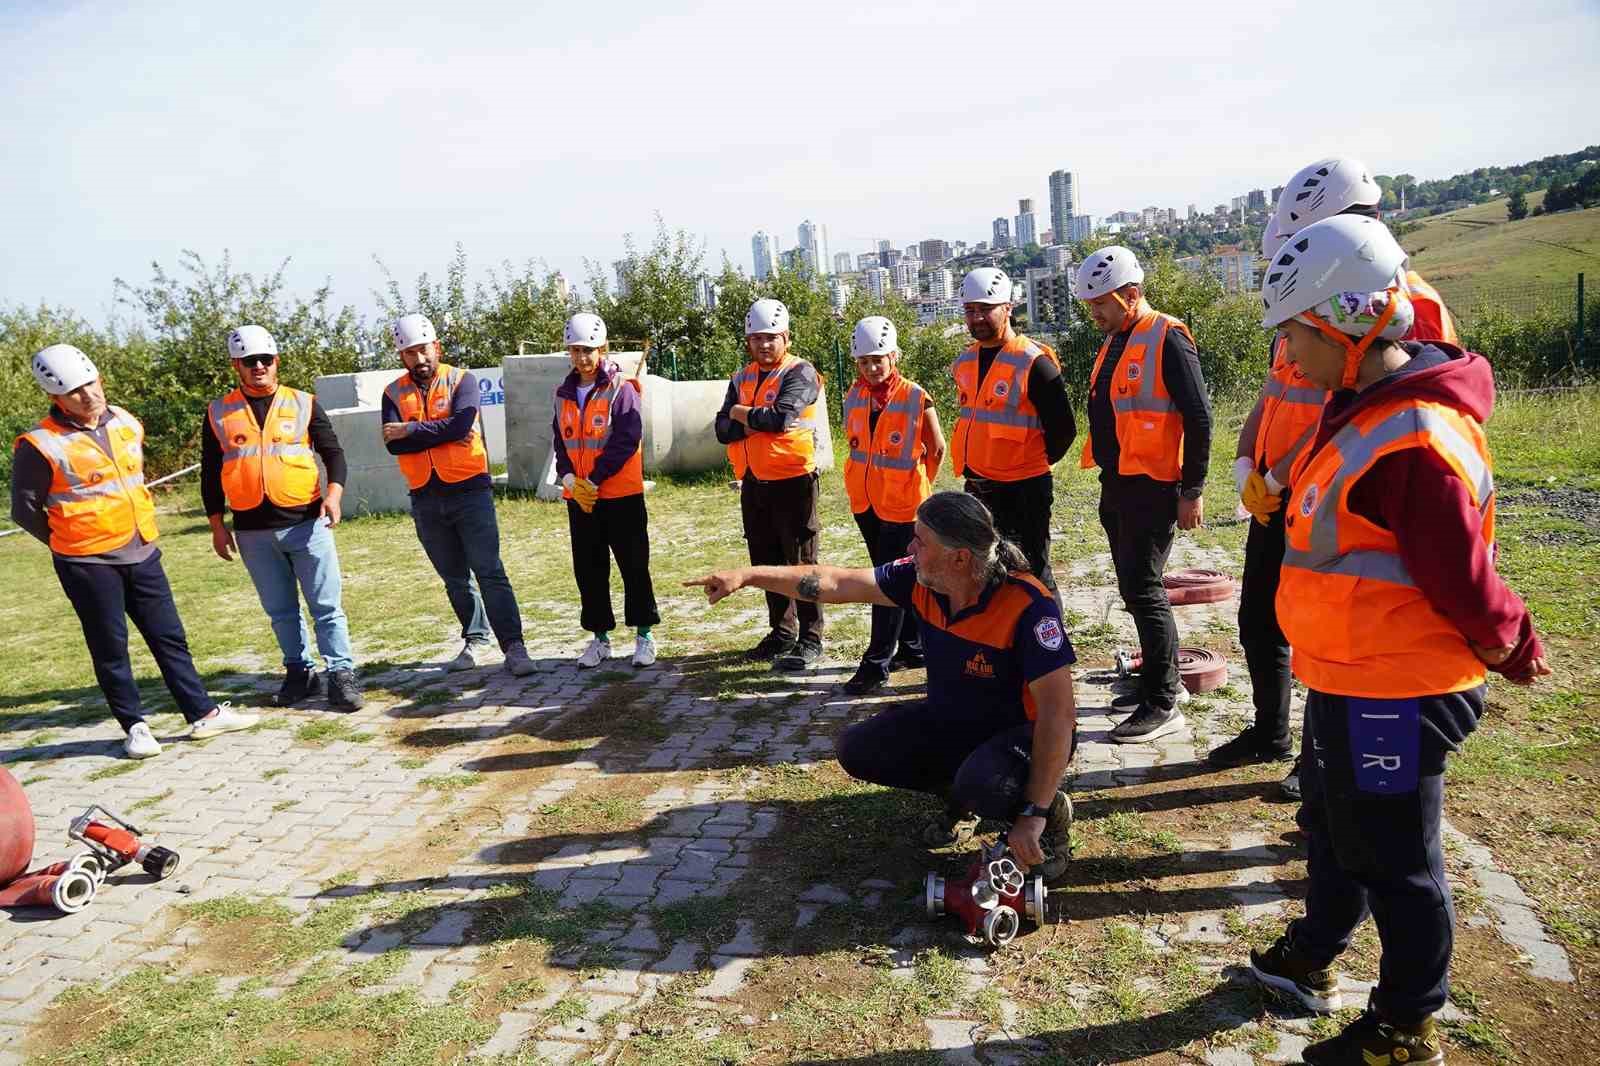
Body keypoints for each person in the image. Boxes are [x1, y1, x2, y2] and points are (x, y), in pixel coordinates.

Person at [1246, 214, 1549, 1066]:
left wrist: (1514, 644)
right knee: (1338, 830)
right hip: (1347, 673)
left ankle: (1406, 1024)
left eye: (1296, 336)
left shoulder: (1410, 440)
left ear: (1347, 326)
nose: (1289, 357)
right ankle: (1316, 956)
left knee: (1396, 861)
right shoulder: (1361, 405)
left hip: (1397, 691)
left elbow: (1463, 578)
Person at [1217, 158, 1461, 798]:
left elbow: (1369, 418)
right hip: (1283, 494)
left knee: (1335, 636)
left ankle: (1322, 761)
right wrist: (1250, 464)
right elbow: (1276, 394)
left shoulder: (1406, 306)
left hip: (1342, 498)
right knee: (1262, 618)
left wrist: (1280, 471)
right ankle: (1276, 733)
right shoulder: (1311, 296)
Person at [686, 491, 1077, 880]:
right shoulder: (921, 579)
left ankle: (1047, 813)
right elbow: (834, 582)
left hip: (1027, 734)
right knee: (860, 749)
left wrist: (1034, 812)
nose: (910, 547)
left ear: (959, 557)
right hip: (957, 722)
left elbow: (1058, 716)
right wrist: (748, 576)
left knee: (984, 783)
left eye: (920, 541)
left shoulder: (1027, 605)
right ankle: (962, 797)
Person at [11, 345, 258, 759]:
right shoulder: (39, 444)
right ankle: (136, 728)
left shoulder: (125, 420)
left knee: (169, 637)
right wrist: (68, 542)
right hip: (87, 563)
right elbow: (25, 510)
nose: (88, 395)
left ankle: (202, 715)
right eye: (75, 392)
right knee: (110, 647)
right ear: (55, 398)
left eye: (91, 384)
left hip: (142, 550)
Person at [1076, 246, 1212, 743]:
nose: (1094, 314)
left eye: (1102, 304)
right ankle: (1155, 680)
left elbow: (1199, 417)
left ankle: (1163, 701)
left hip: (1152, 487)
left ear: (1131, 295)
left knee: (1147, 591)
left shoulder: (1166, 336)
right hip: (1119, 482)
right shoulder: (1118, 337)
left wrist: (1191, 489)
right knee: (1134, 591)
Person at [203, 325, 363, 711]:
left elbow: (334, 453)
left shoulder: (304, 403)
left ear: (276, 361)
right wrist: (216, 525)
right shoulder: (218, 412)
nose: (258, 367)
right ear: (236, 366)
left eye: (265, 359)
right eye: (249, 361)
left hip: (307, 524)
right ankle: (300, 673)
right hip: (252, 531)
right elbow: (210, 472)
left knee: (326, 606)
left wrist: (335, 495)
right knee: (280, 611)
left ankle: (341, 675)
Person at [381, 313, 538, 676]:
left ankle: (514, 647)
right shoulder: (392, 392)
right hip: (425, 496)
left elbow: (462, 425)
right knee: (454, 577)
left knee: (489, 570)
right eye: (410, 353)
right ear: (401, 356)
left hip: (469, 491)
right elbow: (393, 446)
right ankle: (475, 638)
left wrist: (412, 431)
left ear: (436, 347)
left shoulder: (461, 381)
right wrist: (439, 431)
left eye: (423, 350)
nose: (418, 359)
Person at [949, 268, 1074, 603]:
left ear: (1007, 308)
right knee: (988, 570)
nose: (976, 318)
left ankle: (1052, 645)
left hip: (1024, 488)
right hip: (978, 485)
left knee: (1032, 571)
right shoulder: (966, 361)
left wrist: (1031, 463)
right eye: (969, 310)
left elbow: (1064, 429)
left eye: (984, 309)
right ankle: (1006, 641)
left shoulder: (1033, 360)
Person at [714, 298, 826, 671]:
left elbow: (779, 420)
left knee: (801, 564)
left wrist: (739, 413)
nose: (764, 345)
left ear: (786, 337)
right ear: (748, 341)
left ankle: (811, 637)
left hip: (794, 482)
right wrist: (750, 419)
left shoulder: (801, 372)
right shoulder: (742, 377)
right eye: (756, 338)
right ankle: (781, 633)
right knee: (765, 562)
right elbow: (720, 430)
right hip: (754, 483)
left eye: (771, 338)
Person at [838, 315, 945, 694]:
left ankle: (875, 664)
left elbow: (937, 448)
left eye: (878, 359)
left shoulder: (916, 396)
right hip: (866, 502)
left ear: (894, 356)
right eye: (864, 361)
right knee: (902, 578)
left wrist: (918, 484)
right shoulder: (855, 394)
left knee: (885, 584)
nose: (871, 368)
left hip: (903, 505)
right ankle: (913, 647)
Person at [550, 312, 660, 668]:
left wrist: (594, 479)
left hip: (620, 496)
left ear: (604, 348)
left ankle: (644, 636)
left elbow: (627, 439)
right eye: (576, 350)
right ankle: (599, 639)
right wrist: (568, 479)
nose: (582, 358)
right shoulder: (562, 394)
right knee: (589, 570)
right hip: (580, 500)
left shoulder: (621, 389)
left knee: (633, 566)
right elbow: (560, 441)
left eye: (589, 350)